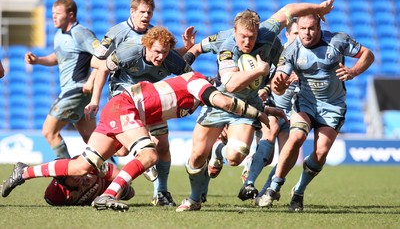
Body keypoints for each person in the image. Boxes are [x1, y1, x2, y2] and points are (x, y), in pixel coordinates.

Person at [1, 26, 287, 213]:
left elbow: (221, 107)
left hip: (123, 110)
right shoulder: (197, 82)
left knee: (82, 165)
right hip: (123, 106)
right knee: (148, 154)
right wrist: (262, 114)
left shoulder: (195, 86)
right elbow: (224, 100)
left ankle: (23, 172)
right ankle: (108, 195)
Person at [176, 0, 335, 212]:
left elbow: (288, 8)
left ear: (258, 32)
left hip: (247, 105)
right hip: (220, 101)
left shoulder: (268, 34)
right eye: (243, 37)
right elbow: (230, 84)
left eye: (251, 37)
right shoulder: (227, 45)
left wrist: (320, 8)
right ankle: (195, 198)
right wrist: (259, 71)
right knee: (196, 157)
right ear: (234, 32)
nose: (247, 42)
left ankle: (219, 153)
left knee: (236, 154)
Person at [258, 14, 375, 211]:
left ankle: (299, 191)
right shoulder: (292, 50)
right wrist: (279, 85)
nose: (306, 33)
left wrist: (353, 71)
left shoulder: (337, 41)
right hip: (305, 102)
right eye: (302, 29)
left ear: (319, 28)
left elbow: (368, 54)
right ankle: (274, 187)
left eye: (311, 28)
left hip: (333, 105)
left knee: (320, 153)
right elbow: (278, 85)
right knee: (296, 136)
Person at [89, 0, 197, 207]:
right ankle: (122, 166)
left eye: (149, 12)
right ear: (132, 12)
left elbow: (179, 68)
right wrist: (93, 97)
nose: (146, 16)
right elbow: (97, 61)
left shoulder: (157, 40)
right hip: (124, 96)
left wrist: (185, 50)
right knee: (121, 150)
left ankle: (162, 192)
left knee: (162, 146)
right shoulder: (121, 38)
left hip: (152, 97)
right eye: (142, 12)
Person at [24, 0, 99, 159]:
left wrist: (91, 81)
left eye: (58, 13)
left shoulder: (81, 33)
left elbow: (103, 57)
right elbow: (58, 57)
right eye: (52, 13)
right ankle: (111, 175)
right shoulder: (59, 34)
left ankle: (67, 177)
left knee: (49, 131)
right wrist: (38, 60)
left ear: (71, 15)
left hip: (77, 90)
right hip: (76, 92)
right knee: (94, 142)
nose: (54, 17)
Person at [239, 19, 300, 202]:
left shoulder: (309, 56)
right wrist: (267, 90)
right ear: (288, 34)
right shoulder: (278, 55)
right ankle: (248, 183)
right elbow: (264, 78)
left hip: (295, 114)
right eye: (296, 33)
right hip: (273, 108)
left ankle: (266, 190)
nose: (300, 36)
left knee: (285, 155)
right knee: (271, 130)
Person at [44, 159, 135, 206]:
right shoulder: (54, 196)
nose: (75, 176)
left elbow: (121, 176)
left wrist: (113, 200)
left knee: (129, 192)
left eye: (74, 171)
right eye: (70, 175)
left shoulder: (87, 164)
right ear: (62, 182)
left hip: (106, 186)